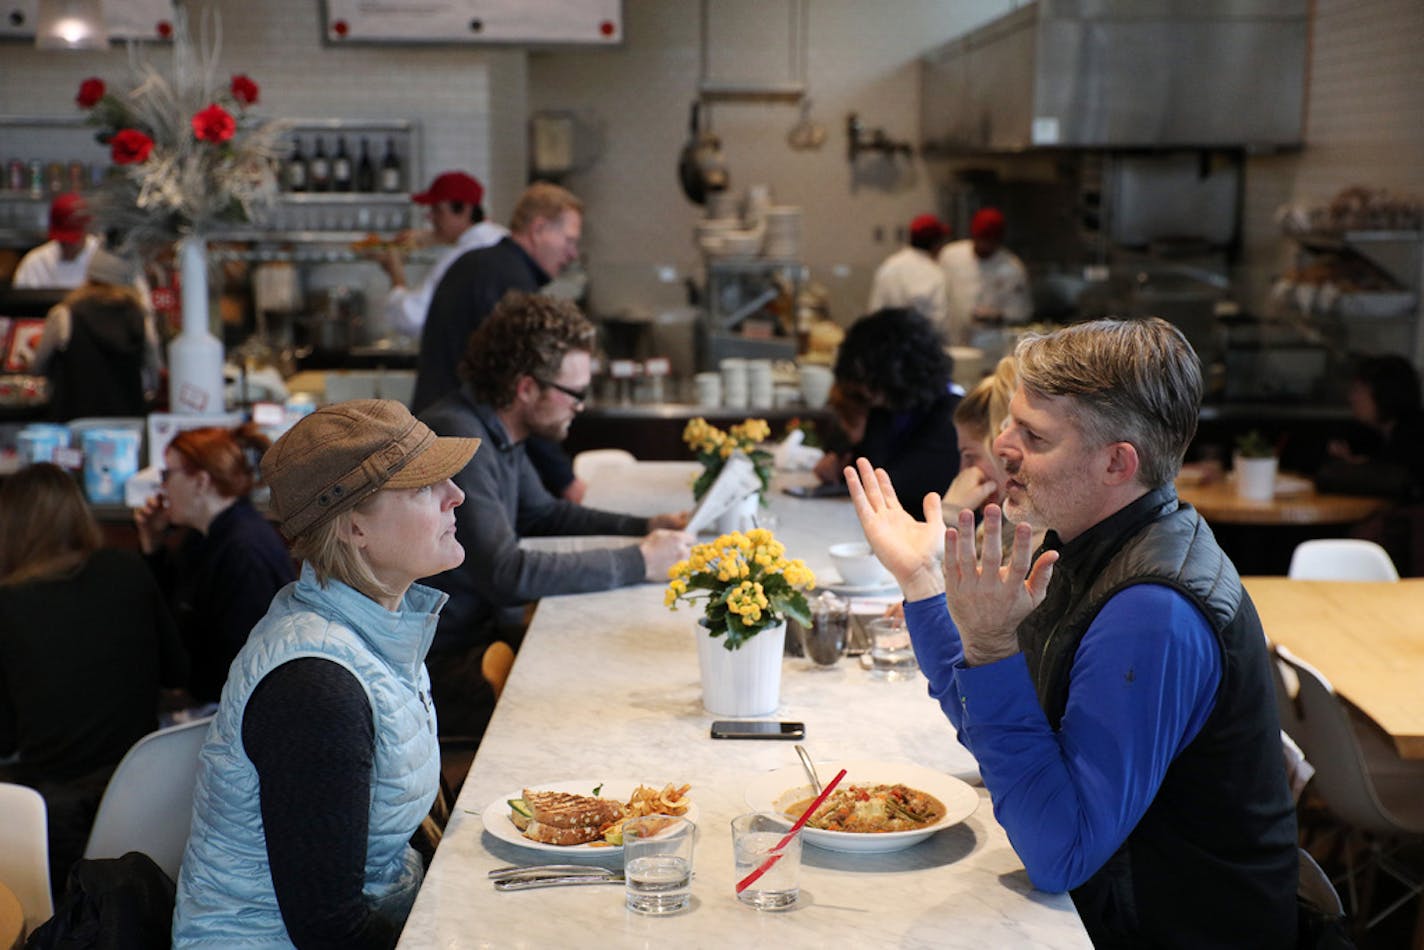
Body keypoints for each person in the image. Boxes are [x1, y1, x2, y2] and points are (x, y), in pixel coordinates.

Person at [845, 317, 1297, 947]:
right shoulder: (1083, 546)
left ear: (1117, 463)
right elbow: (1004, 744)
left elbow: (1059, 853)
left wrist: (989, 649)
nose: (1003, 446)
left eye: (1033, 435)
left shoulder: (1152, 609)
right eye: (1010, 423)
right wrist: (924, 584)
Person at [172, 399, 480, 948]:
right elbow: (330, 932)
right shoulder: (315, 687)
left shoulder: (381, 626)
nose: (456, 494)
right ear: (354, 528)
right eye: (422, 487)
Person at [419, 291, 692, 739]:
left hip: (481, 640)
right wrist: (640, 560)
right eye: (574, 393)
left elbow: (545, 514)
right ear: (526, 388)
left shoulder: (496, 429)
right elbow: (507, 573)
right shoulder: (461, 438)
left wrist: (644, 528)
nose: (580, 406)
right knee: (610, 707)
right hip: (445, 667)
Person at [0, 463, 187, 895]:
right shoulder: (127, 570)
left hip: (52, 811)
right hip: (145, 796)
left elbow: (6, 737)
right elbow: (177, 673)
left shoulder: (9, 604)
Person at [413, 181, 586, 501]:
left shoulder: (479, 264)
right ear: (539, 229)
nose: (572, 253)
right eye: (569, 240)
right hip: (463, 452)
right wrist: (564, 480)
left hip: (436, 437)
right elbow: (525, 394)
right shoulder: (511, 284)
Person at [133, 424, 296, 706]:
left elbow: (237, 668)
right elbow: (168, 616)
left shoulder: (243, 552)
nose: (162, 486)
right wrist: (152, 544)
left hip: (231, 713)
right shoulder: (205, 537)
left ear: (201, 482)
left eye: (168, 474)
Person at [811, 308, 961, 514]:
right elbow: (858, 463)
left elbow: (891, 486)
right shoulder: (890, 407)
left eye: (869, 376)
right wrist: (839, 456)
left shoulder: (951, 415)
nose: (863, 389)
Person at [369, 171, 508, 339]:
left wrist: (395, 272)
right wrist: (432, 237)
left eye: (437, 210)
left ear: (464, 209)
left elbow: (412, 319)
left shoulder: (460, 258)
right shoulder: (501, 237)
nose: (431, 218)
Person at [32, 247, 162, 421]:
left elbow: (38, 367)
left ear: (90, 275)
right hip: (127, 425)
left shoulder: (65, 314)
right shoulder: (139, 318)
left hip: (74, 422)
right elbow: (154, 375)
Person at [941, 356, 1045, 552]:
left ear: (1003, 450)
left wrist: (949, 516)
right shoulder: (1004, 522)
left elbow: (930, 578)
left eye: (970, 456)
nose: (963, 471)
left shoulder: (1029, 538)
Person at [1317, 353, 1424, 502]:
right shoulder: (1374, 434)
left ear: (1385, 394)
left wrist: (1358, 469)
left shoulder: (1414, 436)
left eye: (1358, 390)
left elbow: (1400, 481)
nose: (1351, 398)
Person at [939, 206, 1031, 348]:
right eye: (980, 238)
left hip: (991, 344)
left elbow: (1020, 313)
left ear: (999, 240)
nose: (984, 244)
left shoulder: (1012, 268)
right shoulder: (950, 256)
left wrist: (995, 316)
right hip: (953, 340)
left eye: (989, 240)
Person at [867, 213, 951, 334]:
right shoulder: (935, 273)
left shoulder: (889, 265)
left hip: (886, 343)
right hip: (919, 346)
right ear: (936, 244)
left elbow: (874, 311)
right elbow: (939, 323)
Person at [11, 193, 101, 290]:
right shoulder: (35, 262)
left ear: (86, 228)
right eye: (63, 241)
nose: (67, 245)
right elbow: (21, 302)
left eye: (73, 241)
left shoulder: (103, 259)